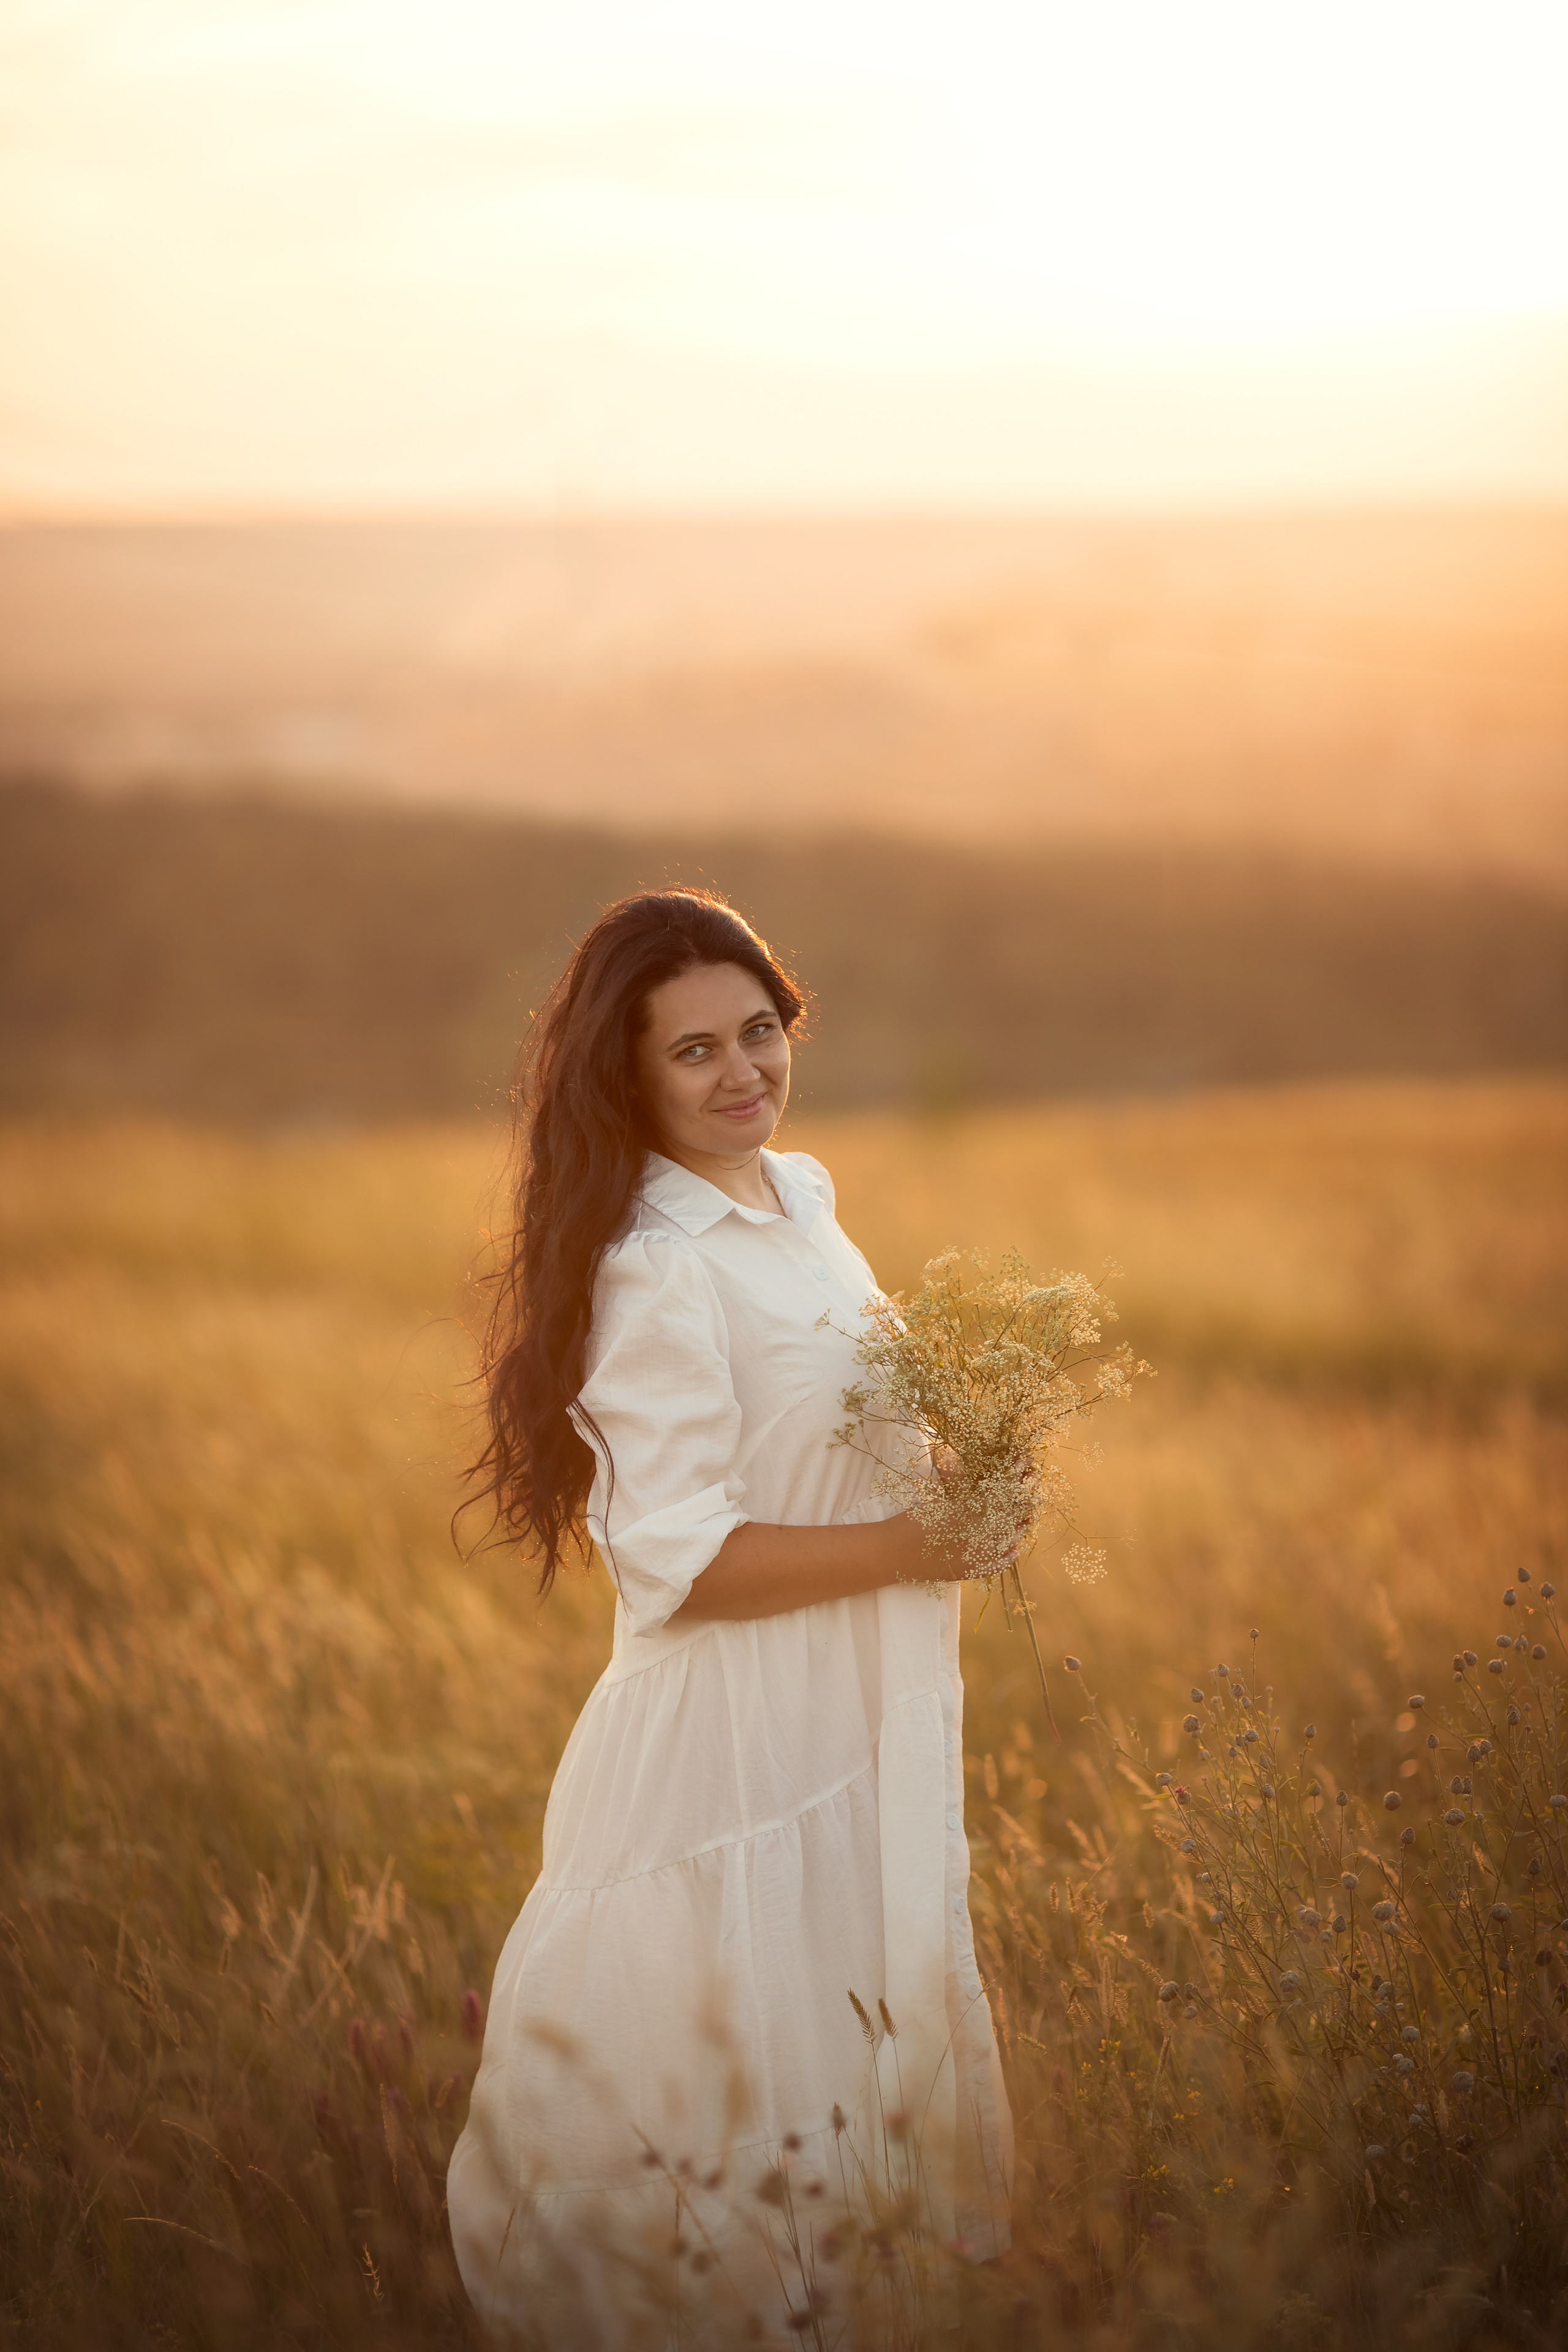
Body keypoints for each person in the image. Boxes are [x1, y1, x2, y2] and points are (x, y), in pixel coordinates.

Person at [447, 888, 1011, 2341]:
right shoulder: (653, 1264)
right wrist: (912, 1543)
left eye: (758, 1032)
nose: (740, 1072)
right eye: (690, 1052)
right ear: (624, 1076)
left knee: (843, 2084)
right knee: (732, 2127)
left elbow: (831, 1430)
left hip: (840, 1717)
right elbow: (676, 1562)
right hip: (728, 1753)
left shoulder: (798, 1200)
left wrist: (975, 1475)